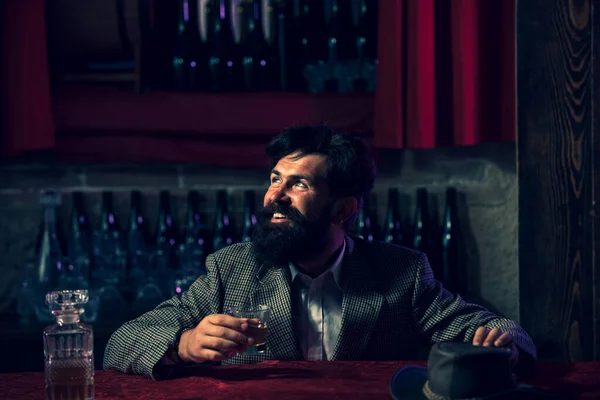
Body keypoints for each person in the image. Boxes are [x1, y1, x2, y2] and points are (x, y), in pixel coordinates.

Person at [103, 125, 536, 380]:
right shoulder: (230, 269)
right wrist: (184, 344)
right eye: (275, 178)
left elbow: (489, 326)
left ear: (343, 209)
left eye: (299, 184)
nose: (276, 195)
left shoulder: (400, 272)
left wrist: (502, 340)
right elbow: (122, 343)